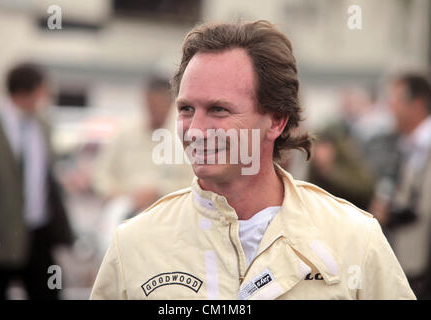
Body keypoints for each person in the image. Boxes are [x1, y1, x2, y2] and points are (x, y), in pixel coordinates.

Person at [90, 21, 415, 300]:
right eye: (186, 109)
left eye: (218, 109)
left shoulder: (354, 239)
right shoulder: (133, 244)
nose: (196, 130)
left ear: (276, 121)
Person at [0, 63, 74, 299]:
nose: (47, 98)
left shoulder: (42, 127)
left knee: (49, 292)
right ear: (25, 93)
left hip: (38, 233)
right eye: (43, 91)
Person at [93, 76, 193, 215]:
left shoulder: (185, 137)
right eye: (150, 104)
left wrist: (161, 191)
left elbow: (193, 183)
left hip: (169, 211)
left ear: (171, 104)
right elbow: (101, 174)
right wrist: (114, 192)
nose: (153, 110)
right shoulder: (125, 133)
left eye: (158, 104)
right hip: (124, 208)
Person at [372, 74, 431, 299]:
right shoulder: (408, 143)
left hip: (421, 265)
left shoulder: (424, 145)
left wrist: (391, 214)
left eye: (395, 100)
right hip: (410, 261)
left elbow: (422, 207)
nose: (390, 108)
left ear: (416, 105)